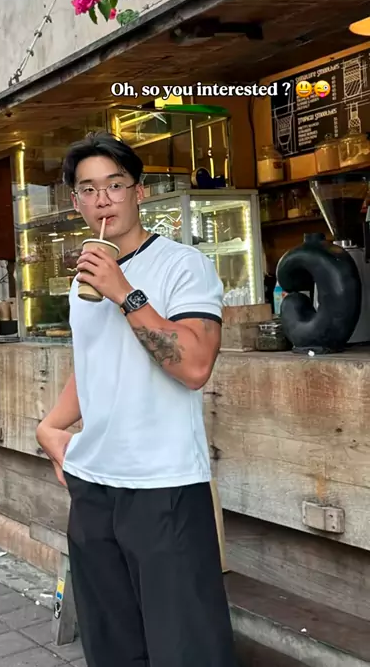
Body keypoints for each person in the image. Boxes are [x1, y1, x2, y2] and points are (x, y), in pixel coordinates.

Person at [36, 131, 237, 667]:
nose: (103, 199)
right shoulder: (82, 279)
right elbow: (95, 364)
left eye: (115, 184)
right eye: (88, 189)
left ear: (138, 192)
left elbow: (194, 366)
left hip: (162, 484)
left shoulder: (182, 265)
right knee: (112, 646)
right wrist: (51, 425)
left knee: (186, 648)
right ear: (76, 201)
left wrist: (124, 292)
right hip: (93, 483)